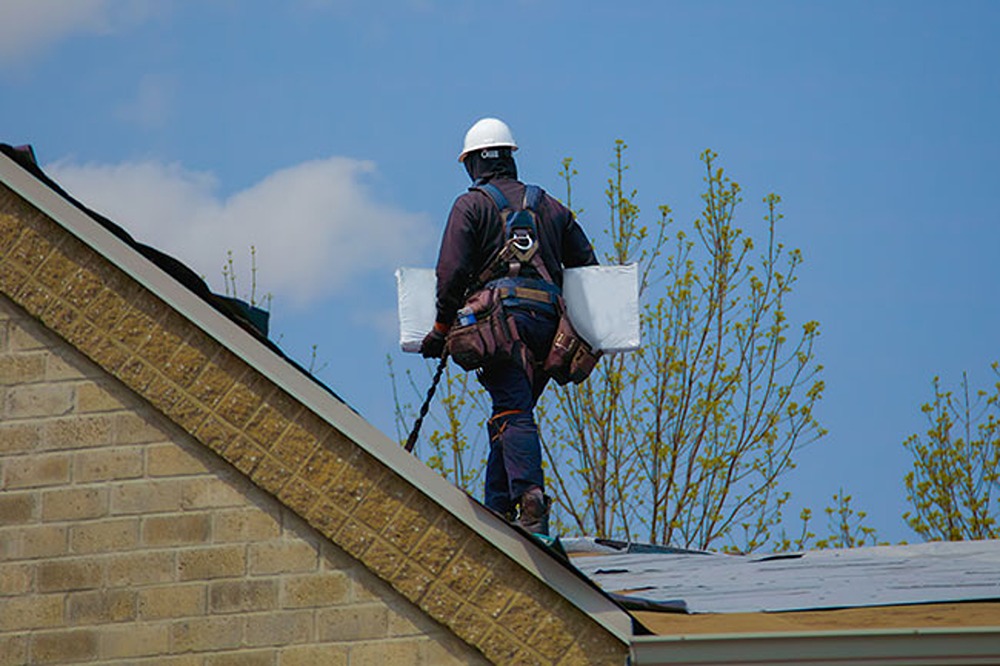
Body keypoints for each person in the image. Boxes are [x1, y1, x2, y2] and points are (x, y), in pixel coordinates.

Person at [420, 117, 598, 536]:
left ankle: (529, 498)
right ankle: (496, 508)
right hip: (549, 330)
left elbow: (451, 271)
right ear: (510, 158)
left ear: (471, 164)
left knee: (512, 409)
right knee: (512, 408)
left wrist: (441, 328)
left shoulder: (471, 205)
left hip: (501, 328)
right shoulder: (552, 207)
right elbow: (589, 270)